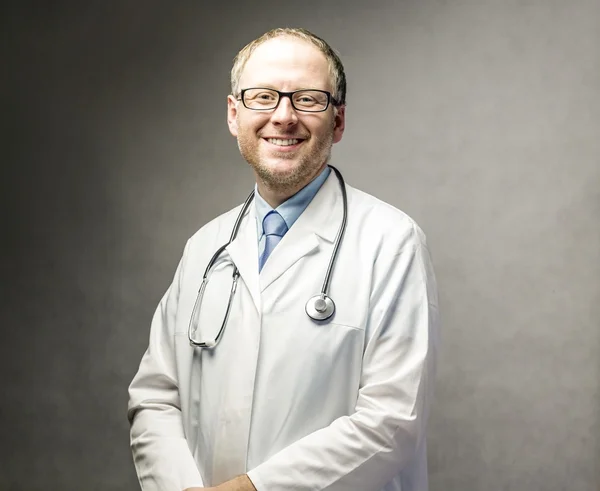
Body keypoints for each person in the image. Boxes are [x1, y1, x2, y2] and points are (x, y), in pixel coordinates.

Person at [128, 27, 440, 491]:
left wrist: (252, 489)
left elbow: (393, 420)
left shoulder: (390, 241)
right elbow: (156, 397)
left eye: (309, 99)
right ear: (234, 115)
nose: (283, 116)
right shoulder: (205, 247)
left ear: (338, 121)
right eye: (262, 96)